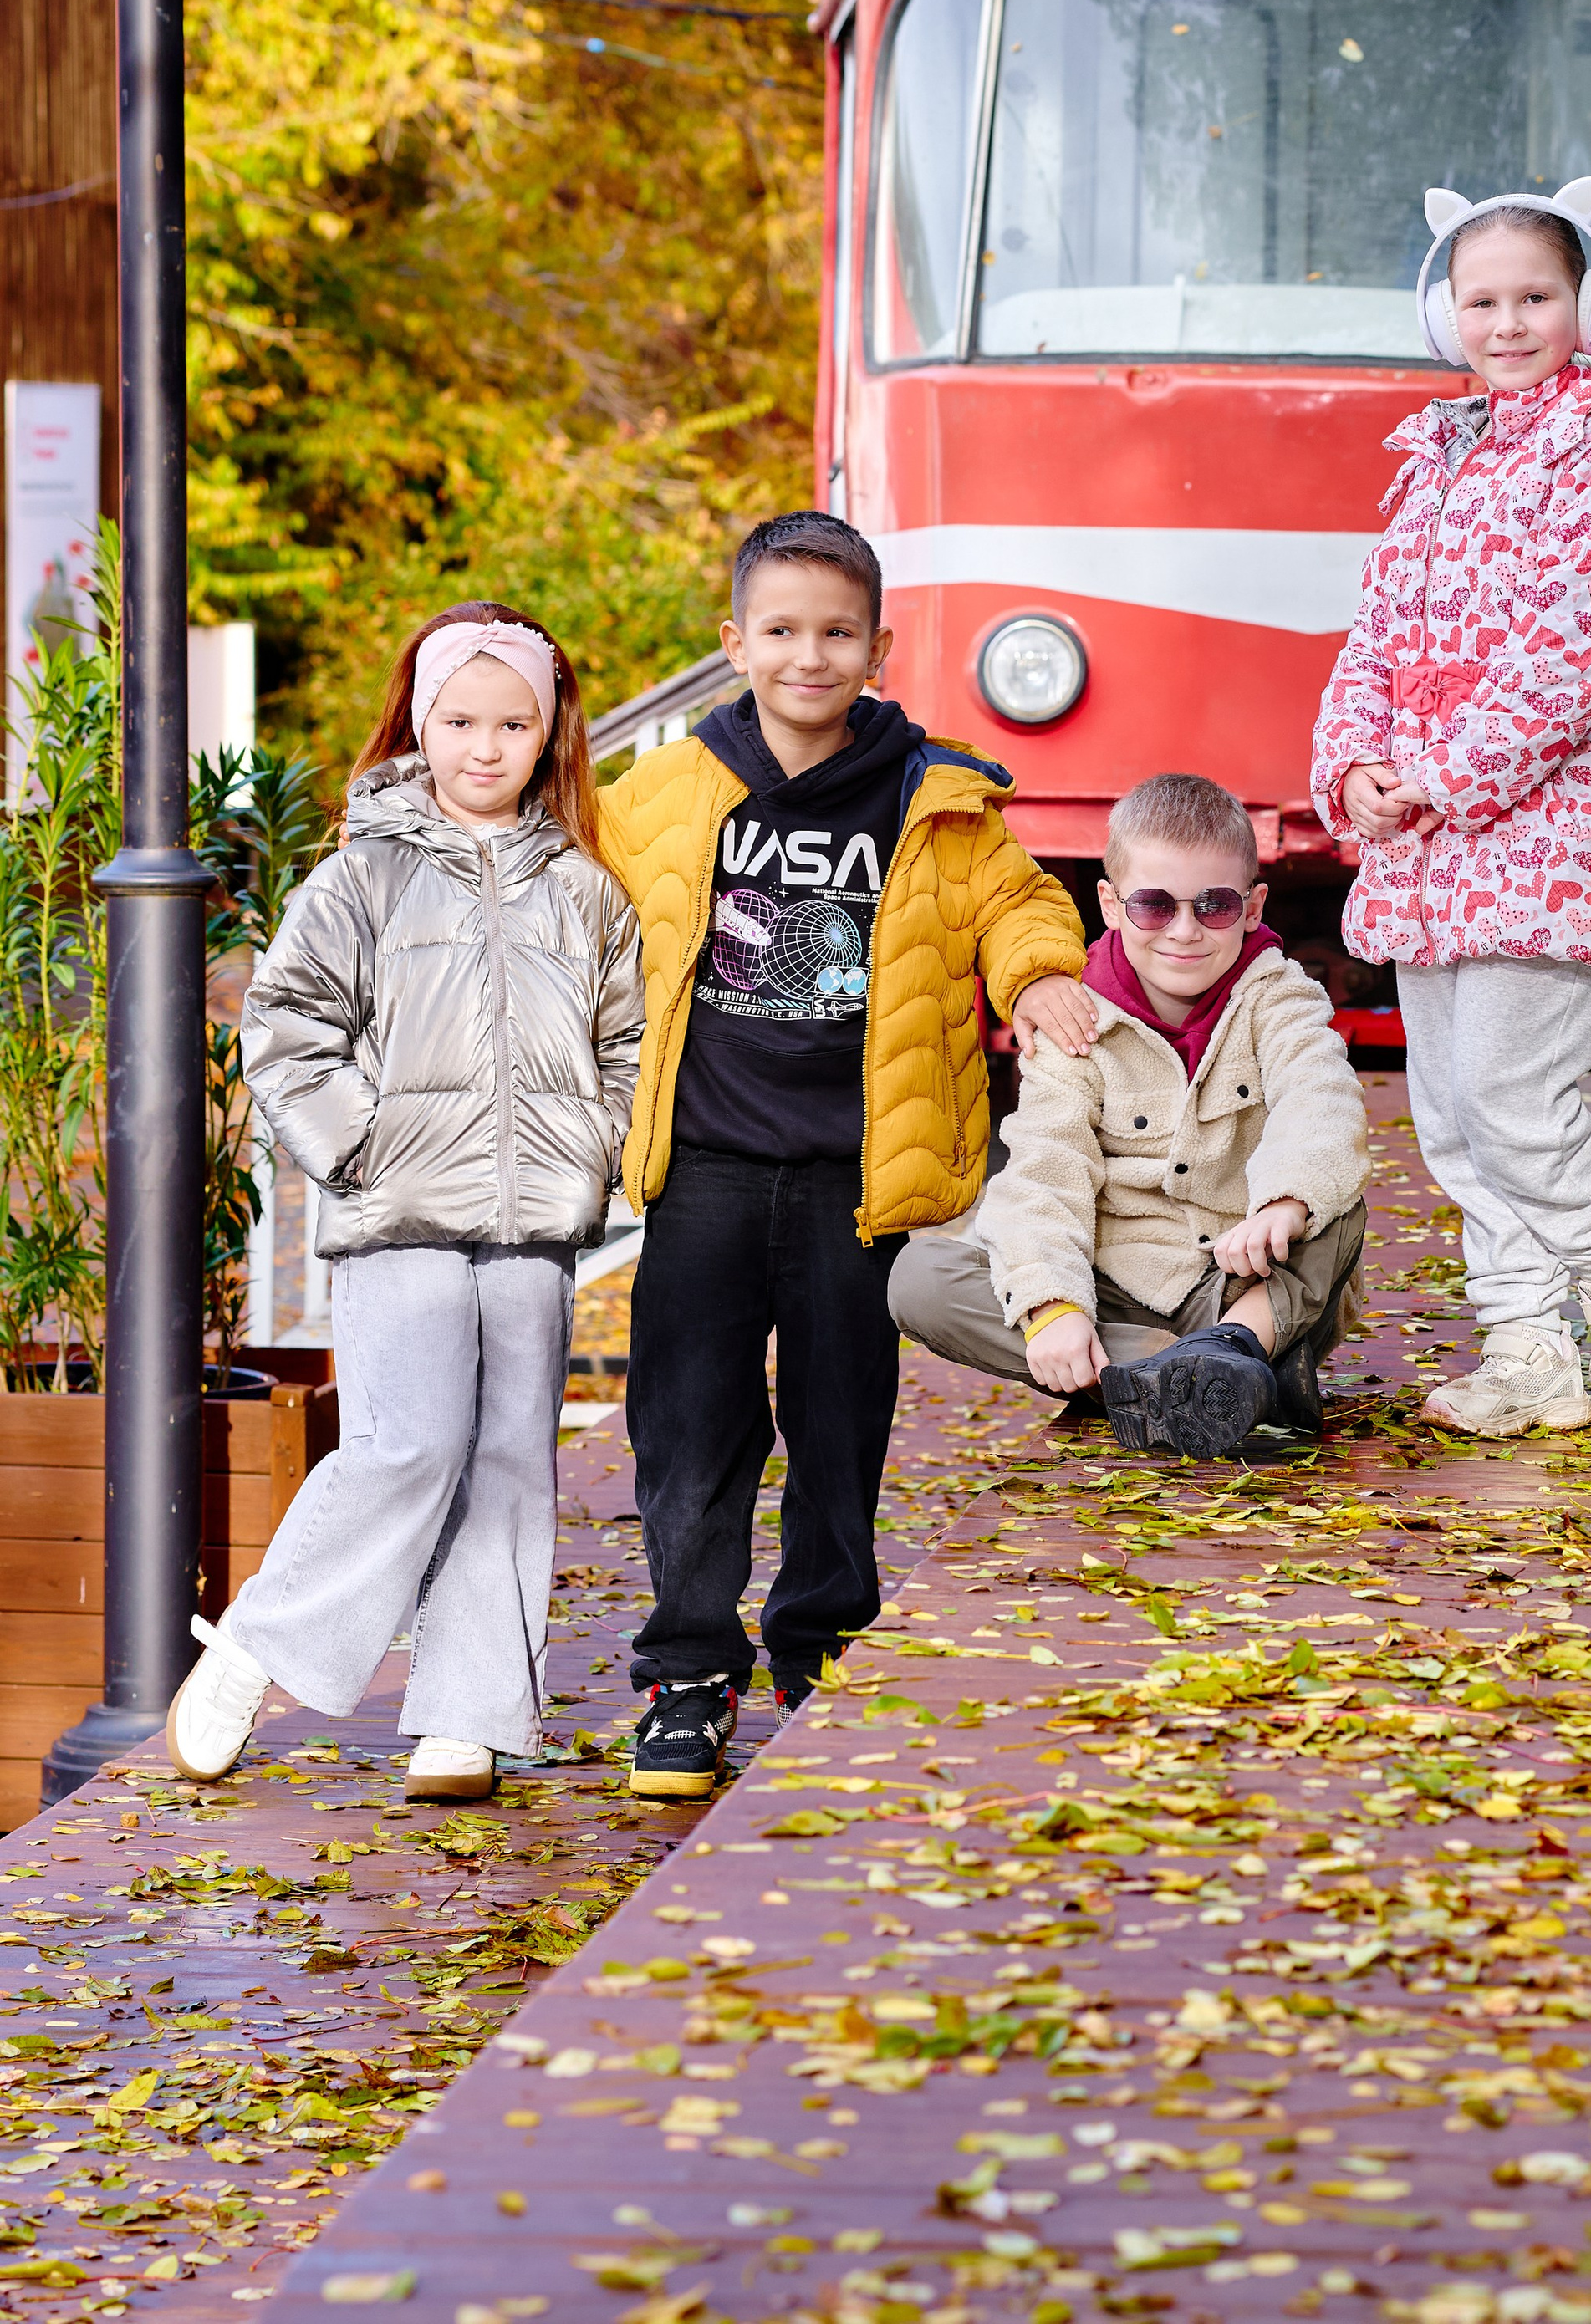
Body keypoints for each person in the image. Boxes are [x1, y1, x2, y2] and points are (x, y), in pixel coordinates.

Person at [598, 510, 1090, 1794]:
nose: (807, 657)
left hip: (856, 1177)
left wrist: (1036, 980)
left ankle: (823, 1647)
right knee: (689, 1429)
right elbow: (563, 878)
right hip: (702, 1168)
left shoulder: (935, 791)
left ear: (880, 644)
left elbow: (1023, 903)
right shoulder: (666, 793)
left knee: (838, 1427)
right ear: (734, 643)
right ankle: (687, 1672)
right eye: (780, 631)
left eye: (836, 633)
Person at [166, 604, 644, 1801]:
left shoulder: (586, 893)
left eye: (513, 723)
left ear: (551, 734)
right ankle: (259, 1643)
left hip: (535, 1226)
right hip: (397, 1212)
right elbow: (284, 1032)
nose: (485, 747)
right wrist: (361, 1148)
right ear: (419, 723)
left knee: (505, 1461)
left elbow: (628, 1042)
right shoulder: (358, 876)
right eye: (460, 720)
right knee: (409, 1443)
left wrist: (594, 1141)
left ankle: (468, 1718)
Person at [1310, 177, 1591, 1437]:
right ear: (1445, 313)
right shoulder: (1437, 455)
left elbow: (1585, 639)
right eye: (1484, 300)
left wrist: (1449, 769)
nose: (1510, 321)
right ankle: (1529, 1346)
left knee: (1520, 1101)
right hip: (1426, 846)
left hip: (1547, 832)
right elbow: (1375, 633)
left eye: (1537, 295)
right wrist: (1356, 764)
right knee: (1456, 1120)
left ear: (1590, 305)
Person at [890, 772, 1371, 1459]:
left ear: (1253, 906)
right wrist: (1052, 1310)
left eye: (1214, 906)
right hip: (1117, 1291)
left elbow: (1318, 1095)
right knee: (920, 1281)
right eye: (1153, 905)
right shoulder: (1076, 1020)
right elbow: (1042, 1174)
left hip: (1243, 1290)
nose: (1184, 931)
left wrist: (1286, 1204)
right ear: (1112, 905)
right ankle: (1214, 1379)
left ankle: (1235, 1354)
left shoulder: (1279, 998)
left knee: (1334, 1196)